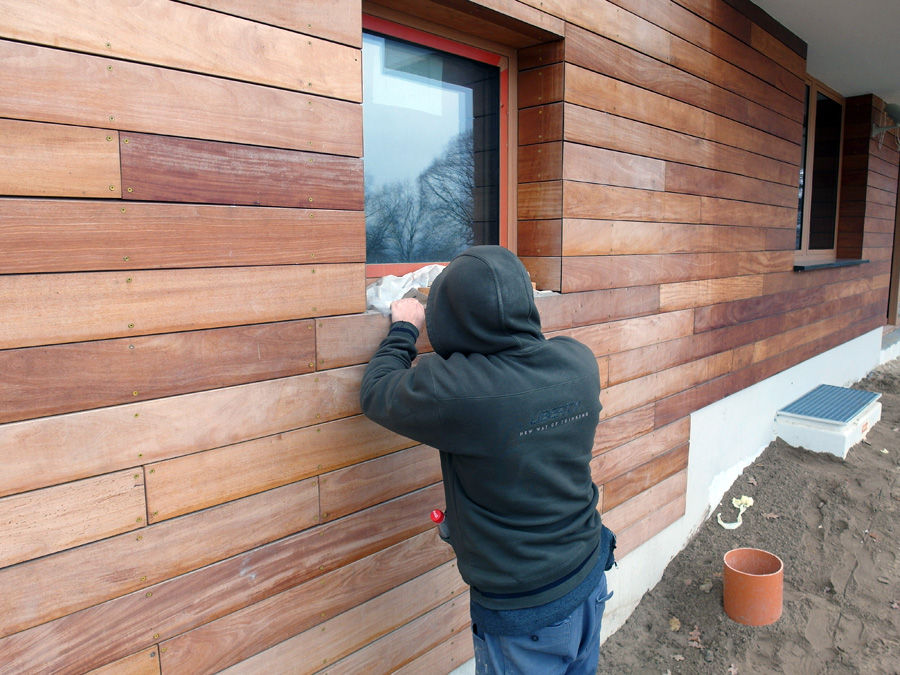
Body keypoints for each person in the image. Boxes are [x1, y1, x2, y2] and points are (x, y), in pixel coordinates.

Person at [360, 245, 616, 674]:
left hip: (526, 616)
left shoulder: (464, 392)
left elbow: (377, 390)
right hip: (588, 574)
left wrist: (405, 328)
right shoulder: (578, 362)